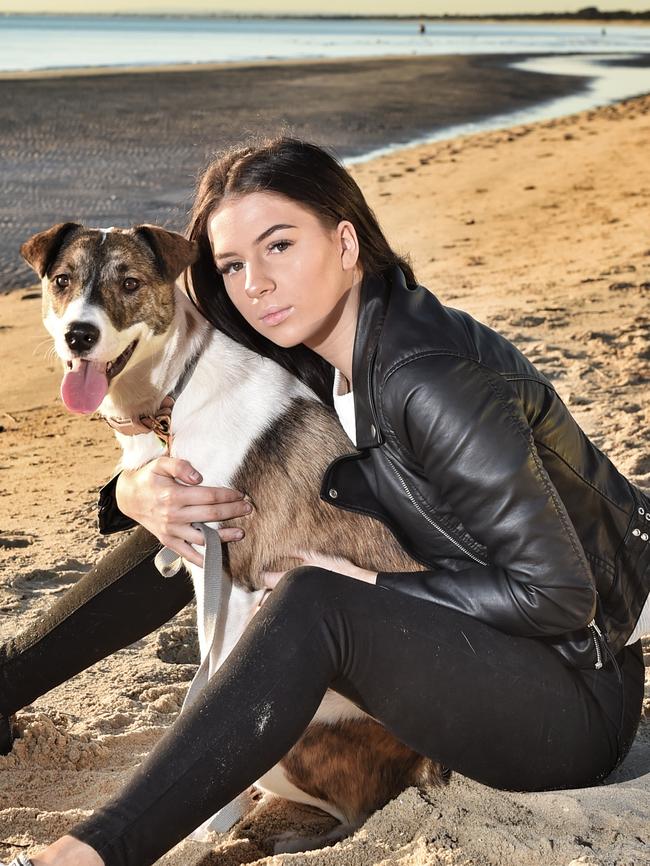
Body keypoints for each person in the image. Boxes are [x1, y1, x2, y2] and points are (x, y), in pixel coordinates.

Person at [1, 136, 648, 866]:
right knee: (201, 509)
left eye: (280, 246)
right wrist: (132, 490)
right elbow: (176, 438)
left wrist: (368, 583)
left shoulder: (427, 378)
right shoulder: (311, 346)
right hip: (475, 649)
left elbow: (558, 597)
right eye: (234, 265)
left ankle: (89, 855)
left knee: (314, 599)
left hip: (567, 691)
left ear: (345, 241)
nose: (256, 285)